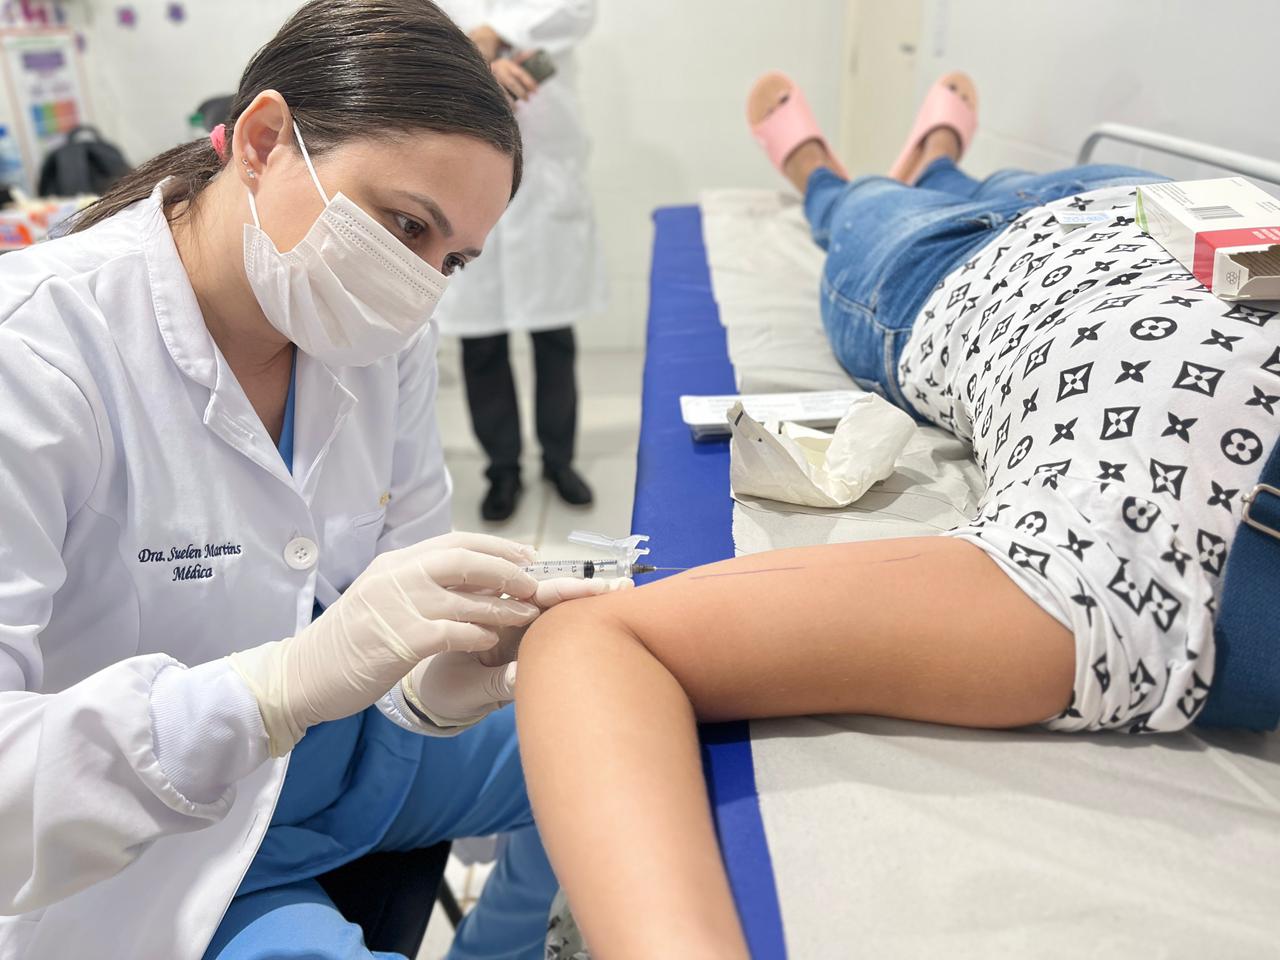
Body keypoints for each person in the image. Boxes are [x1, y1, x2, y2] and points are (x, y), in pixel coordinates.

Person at [511, 71, 1279, 956]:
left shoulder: (1139, 575)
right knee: (937, 186)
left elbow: (601, 641)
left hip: (957, 265)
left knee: (861, 207)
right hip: (1182, 208)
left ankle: (819, 170)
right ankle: (940, 155)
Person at [0, 3, 626, 957]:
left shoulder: (377, 336)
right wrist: (280, 688)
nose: (419, 285)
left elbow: (404, 570)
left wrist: (430, 679)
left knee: (625, 750)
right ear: (261, 140)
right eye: (405, 224)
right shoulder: (38, 357)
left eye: (451, 259)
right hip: (150, 845)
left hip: (344, 756)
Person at [433, 0, 604, 521]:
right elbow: (417, 42)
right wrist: (478, 65)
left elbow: (577, 11)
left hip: (544, 177)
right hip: (464, 173)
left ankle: (559, 460)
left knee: (553, 338)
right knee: (482, 344)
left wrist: (493, 32)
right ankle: (502, 470)